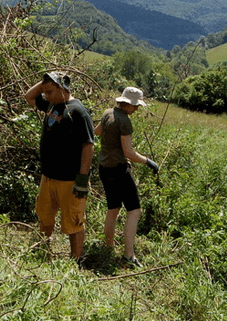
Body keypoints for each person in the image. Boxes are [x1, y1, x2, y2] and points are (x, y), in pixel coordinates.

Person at [25, 72, 95, 261]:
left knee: (74, 221)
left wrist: (82, 179)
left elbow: (88, 146)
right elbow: (29, 97)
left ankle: (76, 260)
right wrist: (45, 84)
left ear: (63, 89)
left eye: (49, 91)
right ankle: (42, 253)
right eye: (45, 92)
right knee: (45, 216)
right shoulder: (51, 104)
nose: (45, 95)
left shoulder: (77, 111)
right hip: (48, 176)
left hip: (69, 179)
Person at [94, 87, 159, 267]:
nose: (136, 109)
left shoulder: (108, 113)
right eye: (135, 106)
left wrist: (110, 141)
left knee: (113, 209)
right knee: (135, 211)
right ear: (127, 103)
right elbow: (129, 152)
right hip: (119, 170)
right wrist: (148, 162)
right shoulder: (124, 121)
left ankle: (108, 248)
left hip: (104, 169)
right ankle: (128, 256)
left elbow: (97, 131)